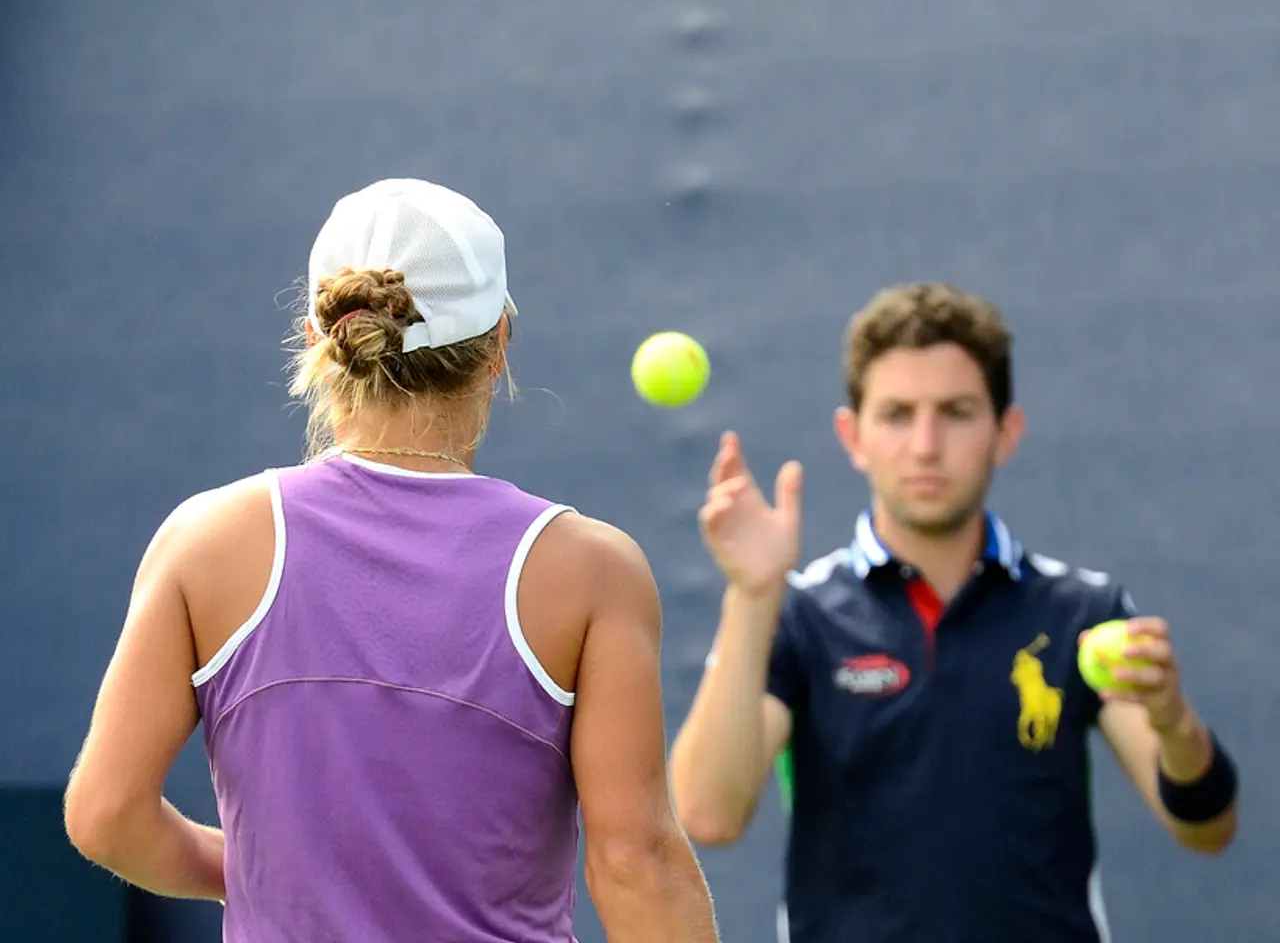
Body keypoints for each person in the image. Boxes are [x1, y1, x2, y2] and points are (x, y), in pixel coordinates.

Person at [63, 177, 720, 942]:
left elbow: (107, 816)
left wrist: (261, 873)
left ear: (319, 339)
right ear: (498, 347)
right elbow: (637, 865)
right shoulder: (593, 571)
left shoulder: (203, 540)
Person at [668, 282, 1238, 942]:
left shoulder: (1081, 611)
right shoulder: (799, 616)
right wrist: (753, 593)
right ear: (853, 436)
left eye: (957, 412)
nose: (926, 445)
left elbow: (1207, 829)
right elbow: (708, 815)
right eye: (897, 414)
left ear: (1005, 432)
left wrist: (1172, 721)